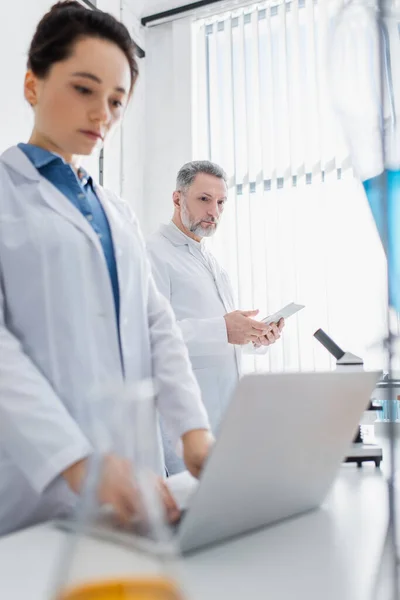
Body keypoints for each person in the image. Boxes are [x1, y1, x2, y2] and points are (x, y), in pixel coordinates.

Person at [0, 1, 212, 536]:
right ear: (32, 85)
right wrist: (77, 463)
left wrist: (193, 431)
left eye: (117, 100)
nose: (103, 114)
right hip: (33, 494)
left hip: (129, 491)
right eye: (83, 89)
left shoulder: (116, 212)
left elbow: (156, 324)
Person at [147, 161, 284, 473]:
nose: (214, 212)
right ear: (177, 198)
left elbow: (225, 340)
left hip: (227, 419)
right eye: (204, 199)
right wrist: (223, 329)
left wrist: (255, 337)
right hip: (187, 423)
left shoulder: (209, 260)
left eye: (221, 202)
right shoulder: (153, 253)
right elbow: (151, 336)